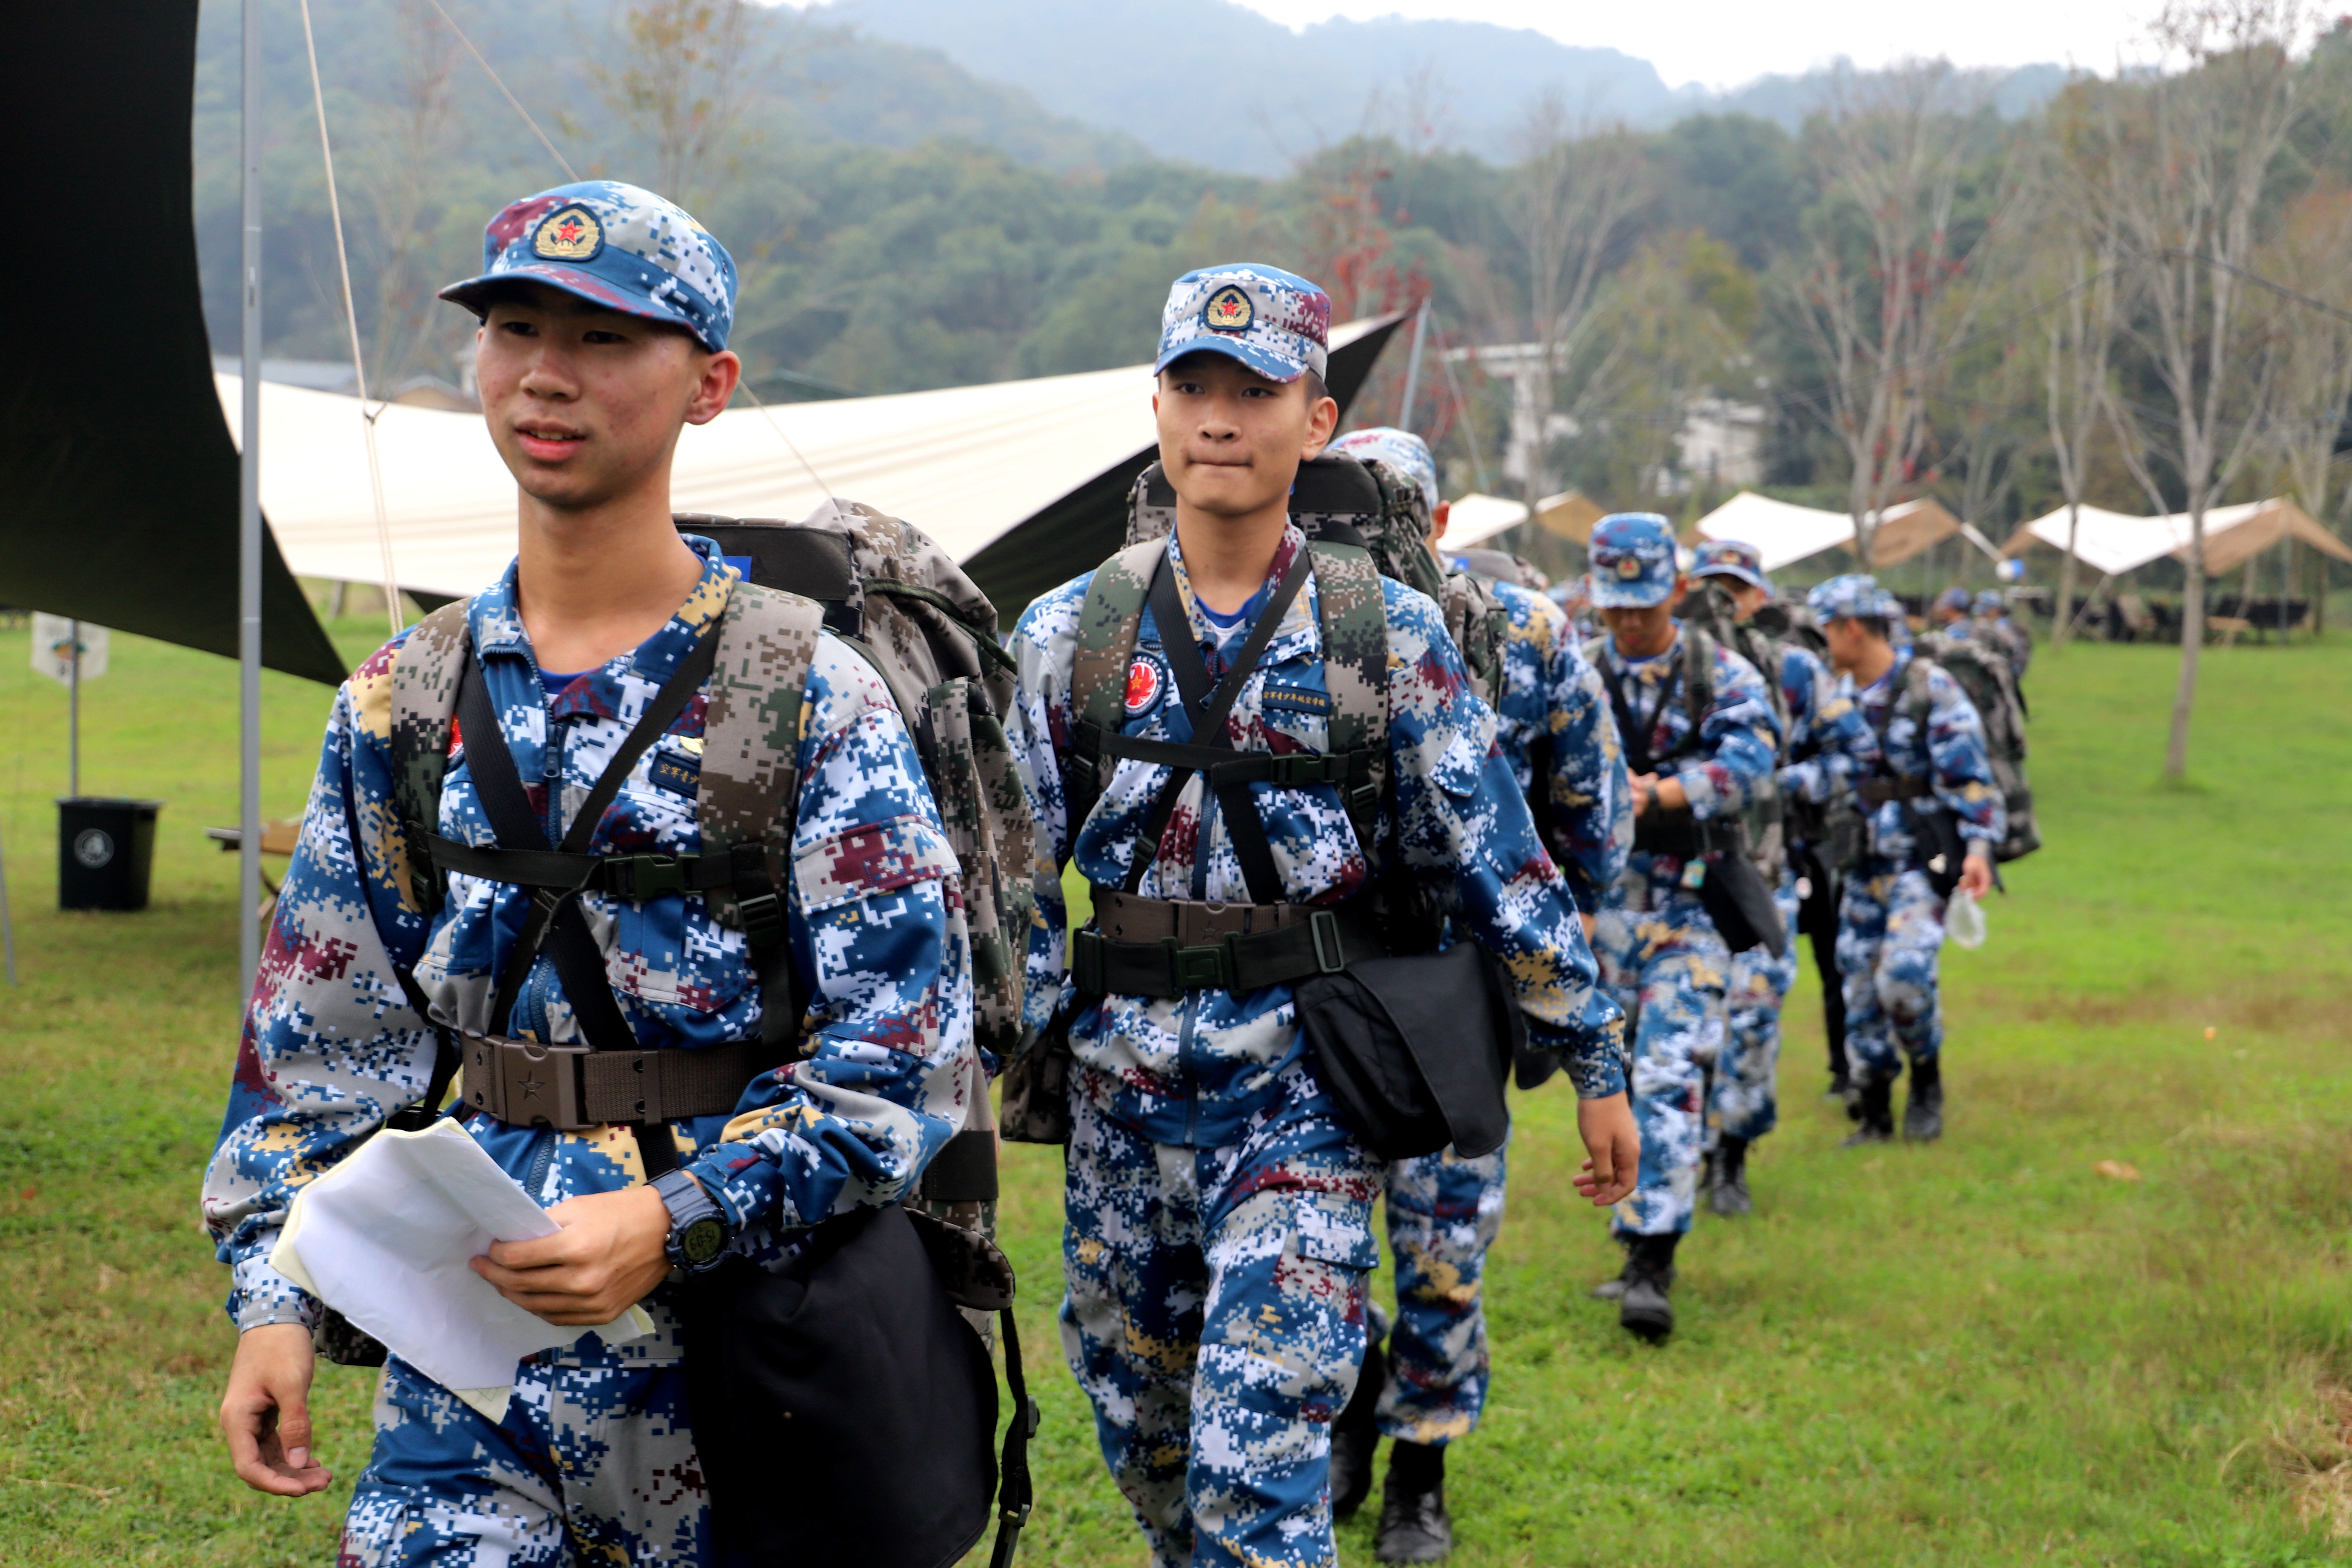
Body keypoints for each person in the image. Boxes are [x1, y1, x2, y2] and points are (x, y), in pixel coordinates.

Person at [203, 181, 976, 1561]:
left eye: (607, 339)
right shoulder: (405, 699)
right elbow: (322, 1049)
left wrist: (672, 1219)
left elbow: (900, 1064)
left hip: (753, 1356)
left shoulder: (807, 695)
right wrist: (276, 1296)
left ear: (710, 385)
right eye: (514, 326)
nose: (548, 374)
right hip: (473, 1350)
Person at [1008, 265, 1636, 1568]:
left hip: (1300, 1098)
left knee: (1261, 1472)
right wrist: (958, 1073)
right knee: (1150, 1448)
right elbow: (1012, 882)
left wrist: (1595, 1061)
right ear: (1159, 408)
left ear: (1319, 419)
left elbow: (1501, 859)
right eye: (1195, 386)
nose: (1222, 417)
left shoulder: (1388, 633)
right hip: (1119, 1096)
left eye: (1258, 389)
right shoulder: (1071, 631)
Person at [1321, 427, 1631, 1560]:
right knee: (1314, 1233)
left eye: (1393, 516)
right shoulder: (1298, 623)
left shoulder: (1526, 634)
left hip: (1459, 993)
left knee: (1444, 1245)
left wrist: (1555, 956)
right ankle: (1353, 1409)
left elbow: (1593, 816)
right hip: (1327, 990)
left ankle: (1422, 1469)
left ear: (1443, 523)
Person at [1580, 516, 1778, 1342]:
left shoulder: (1719, 673)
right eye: (1614, 604)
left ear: (1677, 588)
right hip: (1604, 909)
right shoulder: (1578, 673)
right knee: (1619, 1076)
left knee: (1669, 1070)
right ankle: (1636, 1235)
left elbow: (1752, 763)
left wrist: (1655, 794)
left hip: (1693, 903)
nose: (1629, 620)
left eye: (1644, 602)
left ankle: (1652, 1260)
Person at [1683, 541, 1869, 1216]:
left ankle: (1731, 1156)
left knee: (1754, 1020)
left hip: (1762, 875)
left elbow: (1855, 756)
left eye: (1737, 588)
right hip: (1675, 882)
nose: (1724, 602)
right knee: (1677, 1030)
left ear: (1761, 597)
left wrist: (1779, 784)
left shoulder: (1796, 670)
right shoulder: (1672, 666)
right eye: (1712, 587)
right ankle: (1685, 1157)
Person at [1807, 574, 2001, 1145]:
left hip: (1919, 863)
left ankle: (1926, 1076)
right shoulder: (1833, 696)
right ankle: (1873, 1112)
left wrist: (1980, 850)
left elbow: (1971, 780)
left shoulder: (1928, 688)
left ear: (1851, 627)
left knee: (1904, 976)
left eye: (1826, 629)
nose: (1823, 642)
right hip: (1857, 865)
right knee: (1860, 989)